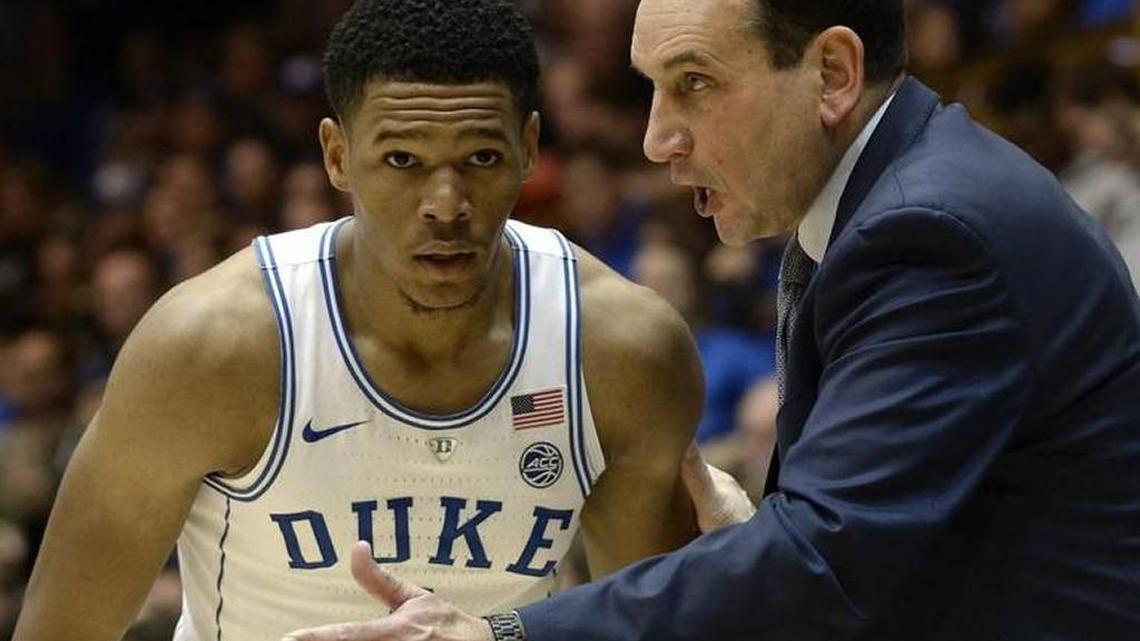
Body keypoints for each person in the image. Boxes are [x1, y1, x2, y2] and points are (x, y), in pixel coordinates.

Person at [283, 1, 1140, 640]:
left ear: (833, 73)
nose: (659, 139)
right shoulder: (890, 198)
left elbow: (824, 564)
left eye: (693, 84)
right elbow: (876, 543)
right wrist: (758, 541)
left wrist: (502, 634)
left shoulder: (928, 232)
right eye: (652, 90)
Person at [12, 1, 705, 640]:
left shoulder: (619, 350)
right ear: (337, 154)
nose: (445, 202)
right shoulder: (212, 347)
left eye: (482, 158)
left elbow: (647, 628)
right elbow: (62, 628)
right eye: (402, 159)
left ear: (529, 147)